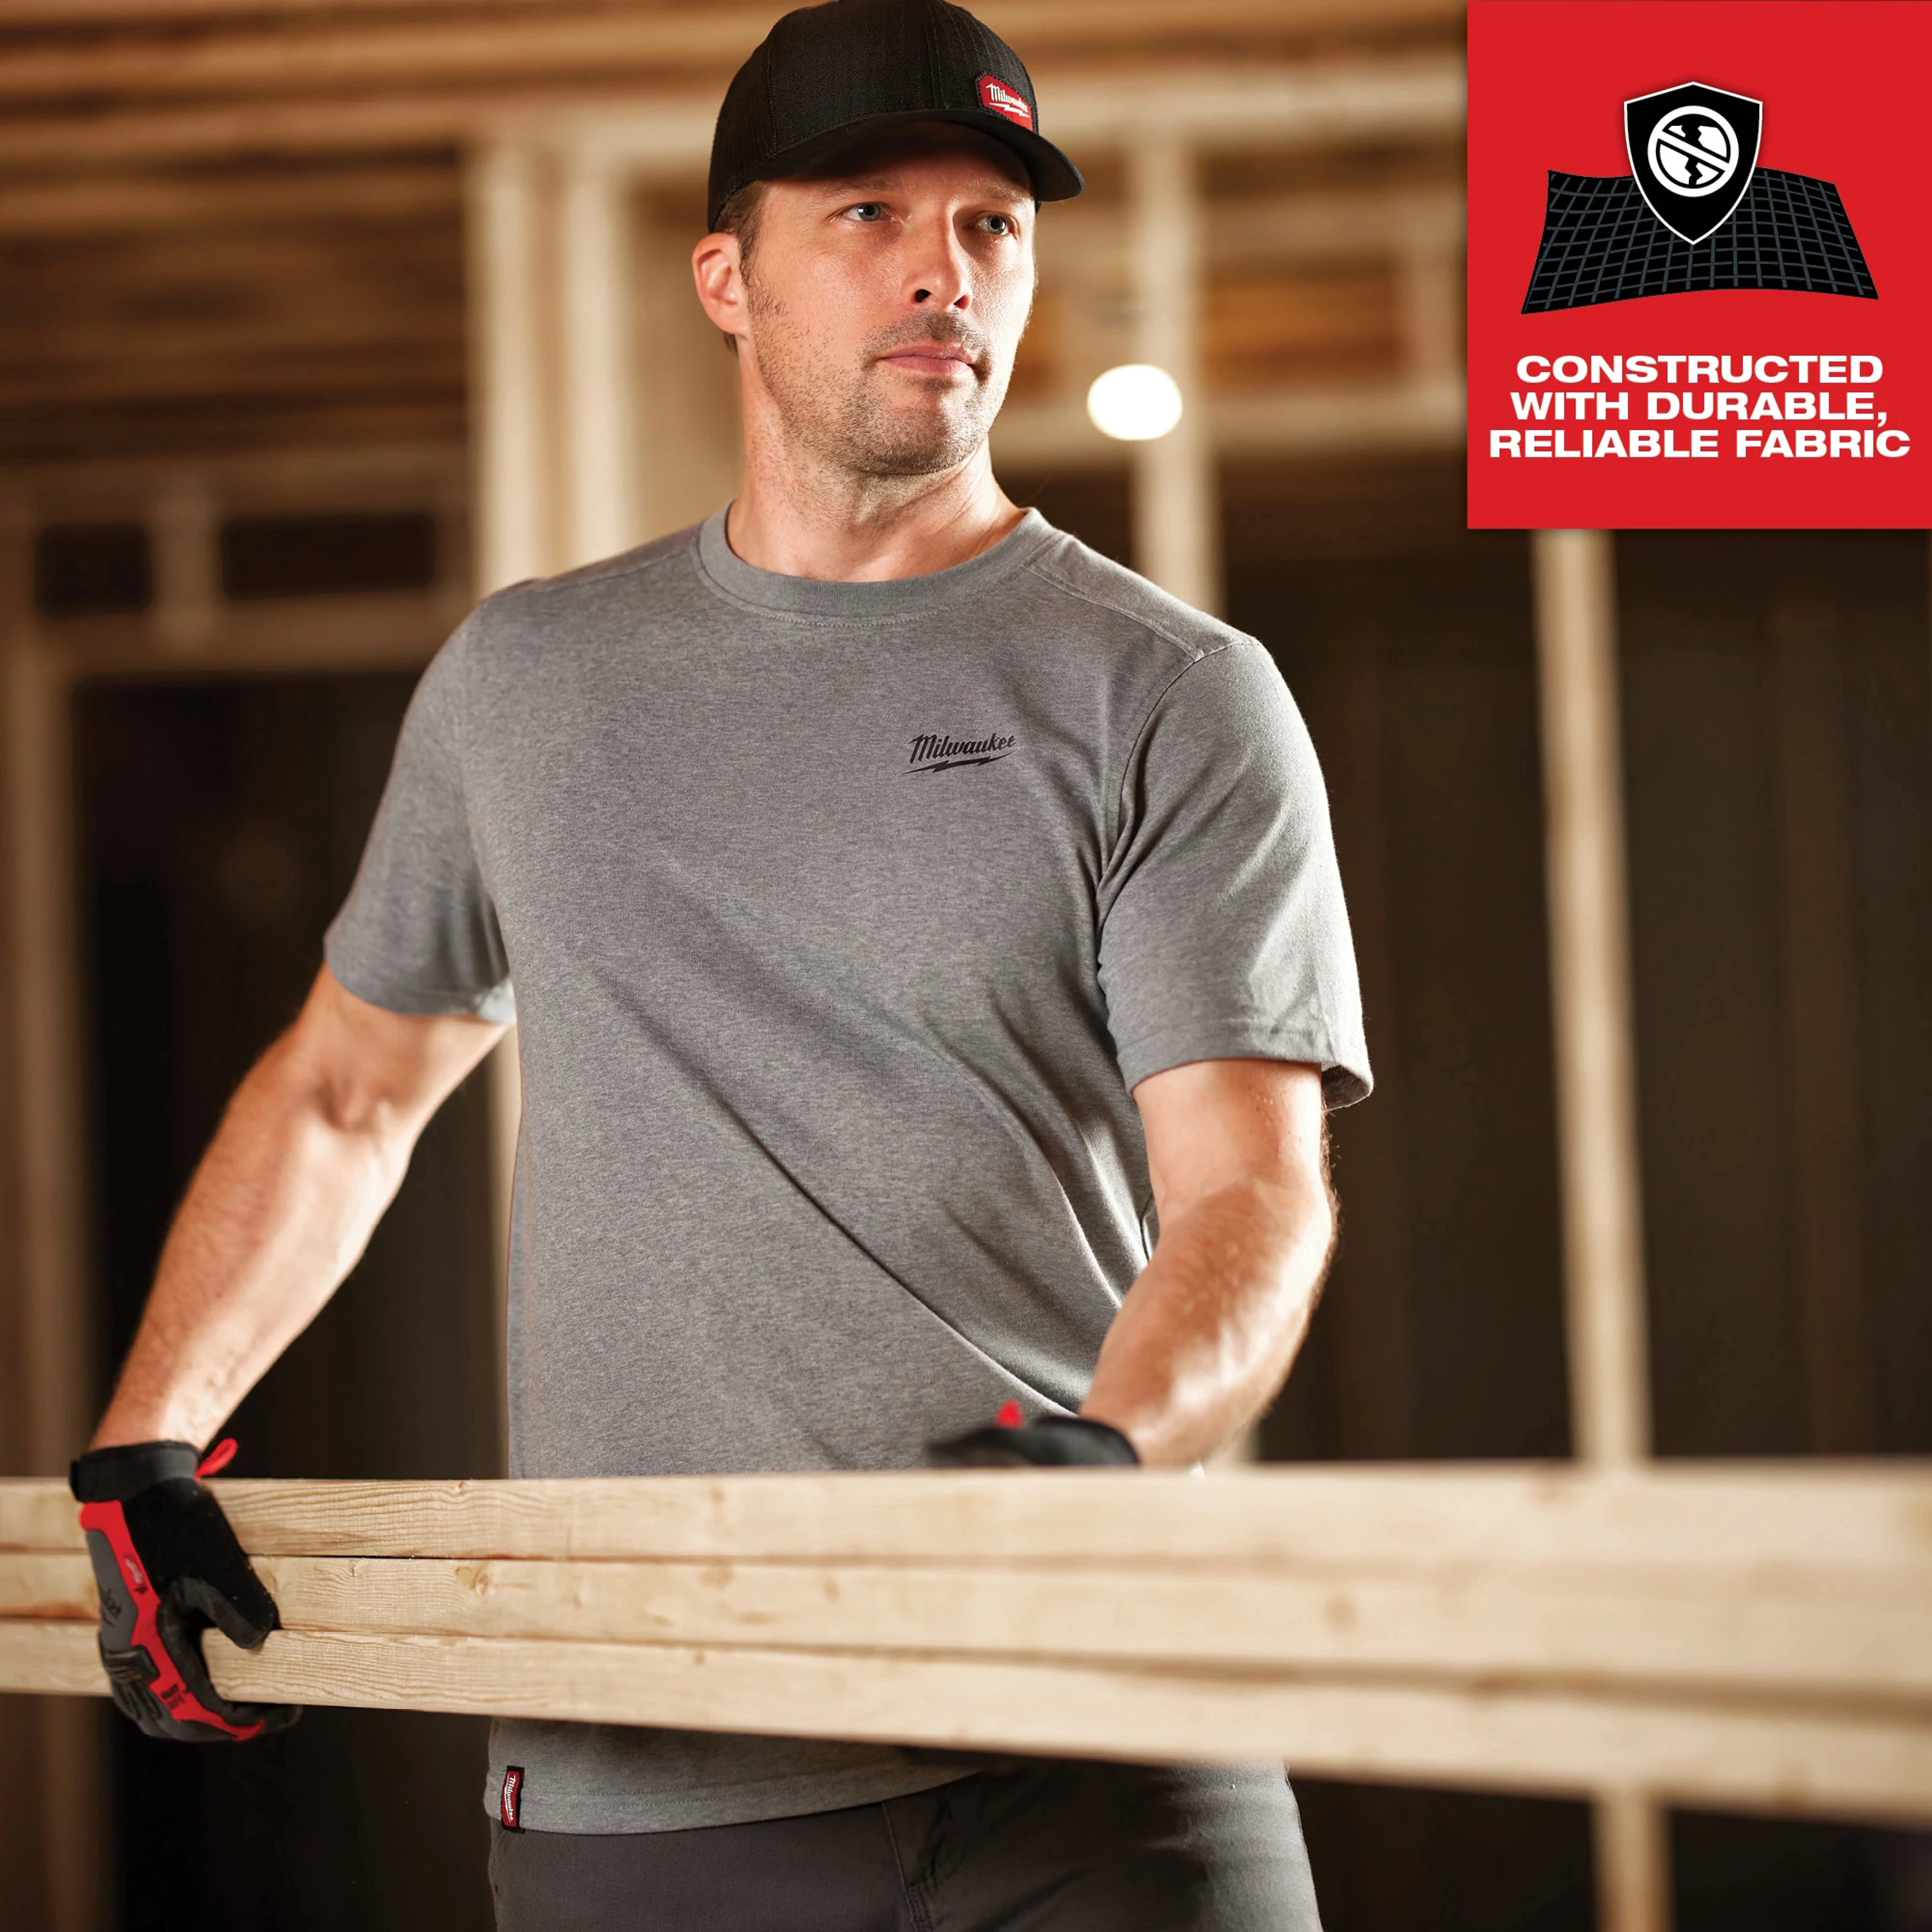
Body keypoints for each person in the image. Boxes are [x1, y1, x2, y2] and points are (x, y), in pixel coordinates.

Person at [69, 0, 1370, 1924]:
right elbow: (350, 1088)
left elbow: (1250, 1189)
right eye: (867, 211)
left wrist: (1109, 1448)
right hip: (653, 1774)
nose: (946, 267)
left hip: (1098, 1732)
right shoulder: (530, 683)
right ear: (725, 276)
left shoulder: (1170, 693)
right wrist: (147, 1428)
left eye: (993, 224)